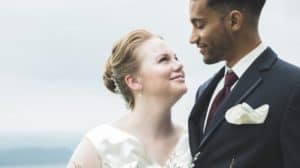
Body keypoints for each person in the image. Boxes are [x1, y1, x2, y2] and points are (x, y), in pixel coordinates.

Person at [188, 0, 300, 167]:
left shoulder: (293, 85)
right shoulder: (204, 91)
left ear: (234, 21)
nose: (192, 38)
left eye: (200, 25)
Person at [67, 29, 191, 168]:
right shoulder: (99, 146)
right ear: (133, 81)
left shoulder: (192, 141)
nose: (179, 65)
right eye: (163, 60)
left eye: (176, 58)